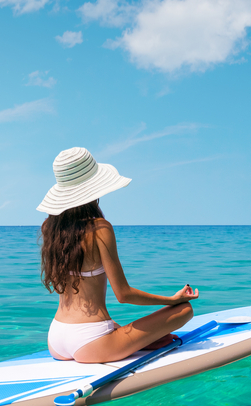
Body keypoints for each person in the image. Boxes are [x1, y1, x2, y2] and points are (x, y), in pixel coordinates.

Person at [38, 148, 198, 364]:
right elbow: (124, 295)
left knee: (118, 327)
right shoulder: (100, 228)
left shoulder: (51, 228)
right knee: (184, 311)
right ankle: (140, 339)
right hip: (91, 341)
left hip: (56, 337)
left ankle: (139, 340)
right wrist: (172, 300)